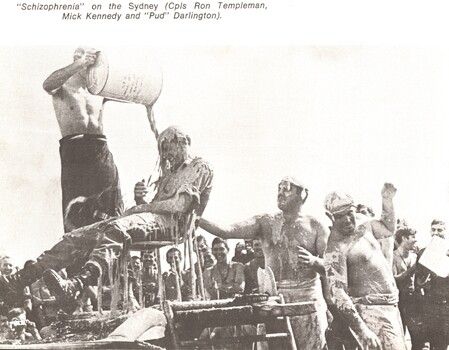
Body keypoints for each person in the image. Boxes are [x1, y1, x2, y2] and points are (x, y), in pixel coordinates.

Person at [0, 126, 214, 308]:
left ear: (185, 142)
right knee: (77, 236)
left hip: (174, 226)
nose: (166, 155)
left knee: (118, 229)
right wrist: (141, 201)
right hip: (151, 220)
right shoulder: (168, 175)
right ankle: (19, 280)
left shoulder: (200, 167)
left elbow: (178, 206)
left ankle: (77, 284)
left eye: (169, 149)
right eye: (163, 151)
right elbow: (150, 212)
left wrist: (142, 208)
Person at [199, 176, 329, 350]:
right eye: (279, 188)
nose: (281, 192)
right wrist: (196, 217)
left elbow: (333, 267)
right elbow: (228, 230)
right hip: (273, 297)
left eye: (287, 188)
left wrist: (314, 261)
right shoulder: (266, 222)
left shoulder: (316, 226)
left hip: (307, 297)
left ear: (302, 194)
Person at [42, 46, 125, 233]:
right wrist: (79, 63)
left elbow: (128, 90)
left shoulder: (98, 89)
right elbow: (47, 85)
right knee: (76, 207)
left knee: (110, 204)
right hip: (74, 147)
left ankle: (111, 251)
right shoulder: (63, 85)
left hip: (99, 147)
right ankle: (77, 257)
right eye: (82, 59)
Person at [324, 183, 407, 350]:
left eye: (349, 213)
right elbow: (338, 294)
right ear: (330, 216)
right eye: (340, 216)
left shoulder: (363, 222)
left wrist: (387, 200)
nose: (347, 220)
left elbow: (388, 230)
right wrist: (362, 330)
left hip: (390, 306)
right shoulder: (334, 249)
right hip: (370, 312)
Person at [410, 219, 449, 350]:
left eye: (440, 230)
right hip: (427, 307)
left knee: (442, 345)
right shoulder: (422, 253)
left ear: (445, 232)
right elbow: (417, 282)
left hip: (445, 307)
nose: (436, 233)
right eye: (433, 230)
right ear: (430, 232)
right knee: (424, 344)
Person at [392, 227, 417, 333]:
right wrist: (412, 269)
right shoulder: (393, 257)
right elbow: (394, 278)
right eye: (413, 237)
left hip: (414, 299)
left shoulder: (415, 256)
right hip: (400, 301)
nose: (415, 240)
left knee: (417, 337)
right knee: (401, 333)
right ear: (404, 238)